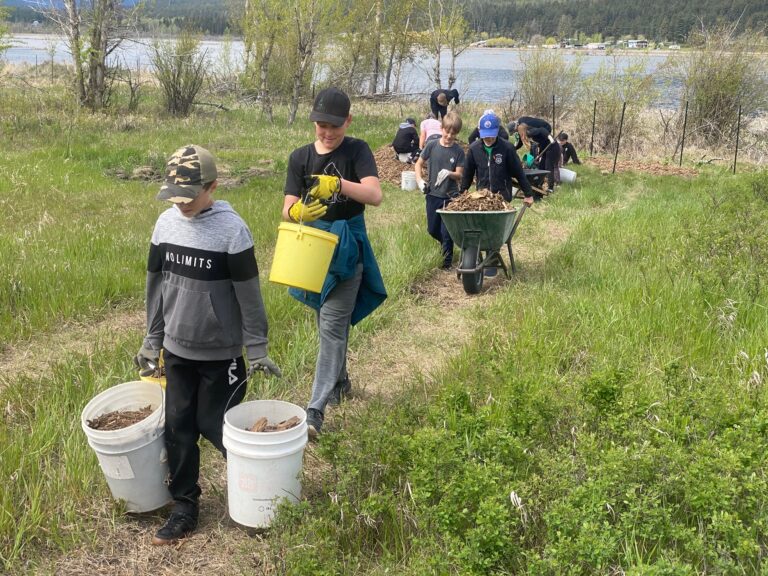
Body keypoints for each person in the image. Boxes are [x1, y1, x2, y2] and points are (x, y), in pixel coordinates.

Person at [134, 144, 281, 546]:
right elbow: (156, 286)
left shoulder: (233, 231)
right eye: (174, 195)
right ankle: (185, 506)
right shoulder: (165, 225)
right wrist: (153, 339)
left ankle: (267, 484)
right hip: (177, 350)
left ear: (212, 186)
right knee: (179, 428)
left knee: (216, 427)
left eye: (189, 195)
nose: (180, 203)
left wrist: (258, 348)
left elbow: (249, 296)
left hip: (222, 354)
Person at [282, 87, 387, 438]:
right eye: (321, 125)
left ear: (348, 122)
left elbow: (375, 195)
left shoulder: (357, 151)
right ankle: (340, 381)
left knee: (330, 326)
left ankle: (315, 410)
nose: (327, 133)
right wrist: (296, 210)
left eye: (334, 127)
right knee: (325, 320)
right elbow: (287, 207)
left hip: (346, 250)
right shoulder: (299, 158)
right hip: (312, 250)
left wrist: (341, 185)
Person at [414, 111, 465, 269]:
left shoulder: (458, 151)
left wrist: (449, 173)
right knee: (432, 229)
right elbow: (418, 164)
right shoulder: (432, 145)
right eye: (447, 131)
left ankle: (446, 262)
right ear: (441, 128)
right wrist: (419, 180)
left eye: (453, 133)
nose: (449, 136)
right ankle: (446, 246)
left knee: (446, 231)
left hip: (450, 197)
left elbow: (459, 175)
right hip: (433, 195)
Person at [512, 116, 560, 191]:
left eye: (515, 131)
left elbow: (542, 130)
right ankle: (539, 185)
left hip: (552, 146)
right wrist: (512, 149)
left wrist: (550, 138)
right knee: (541, 167)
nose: (516, 133)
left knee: (548, 166)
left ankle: (550, 188)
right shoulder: (524, 133)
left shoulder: (529, 131)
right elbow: (520, 143)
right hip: (544, 146)